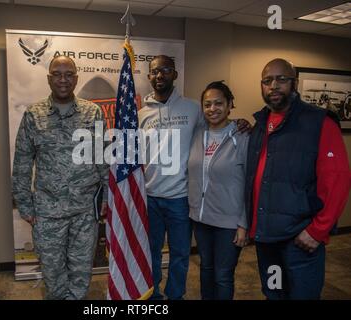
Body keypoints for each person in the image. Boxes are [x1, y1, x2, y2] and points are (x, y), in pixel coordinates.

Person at [139, 55, 250, 300]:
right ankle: (154, 296)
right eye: (155, 71)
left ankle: (175, 295)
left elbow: (218, 124)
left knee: (180, 255)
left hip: (181, 199)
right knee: (152, 253)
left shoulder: (192, 109)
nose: (160, 75)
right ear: (149, 77)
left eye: (166, 70)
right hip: (151, 197)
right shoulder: (141, 114)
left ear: (175, 74)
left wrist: (240, 123)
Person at [245, 58, 351, 300]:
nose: (273, 85)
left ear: (295, 83)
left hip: (300, 242)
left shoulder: (319, 122)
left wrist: (317, 231)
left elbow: (338, 181)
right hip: (267, 240)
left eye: (281, 79)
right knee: (274, 294)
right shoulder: (260, 124)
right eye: (267, 80)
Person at [12, 56, 108, 300]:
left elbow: (102, 158)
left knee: (80, 273)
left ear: (76, 78)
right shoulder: (34, 114)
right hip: (47, 212)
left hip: (84, 211)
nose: (63, 79)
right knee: (53, 275)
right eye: (57, 74)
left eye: (68, 74)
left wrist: (108, 199)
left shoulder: (92, 112)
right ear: (49, 78)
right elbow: (22, 162)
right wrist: (24, 204)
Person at [188, 81, 248, 300]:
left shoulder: (242, 137)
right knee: (206, 269)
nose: (212, 109)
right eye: (207, 104)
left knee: (223, 275)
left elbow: (250, 184)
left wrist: (243, 223)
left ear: (230, 104)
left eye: (218, 103)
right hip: (201, 218)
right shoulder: (196, 134)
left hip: (229, 223)